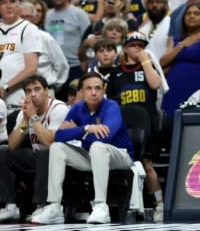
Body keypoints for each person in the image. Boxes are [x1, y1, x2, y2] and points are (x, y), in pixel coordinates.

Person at [31, 72, 134, 225]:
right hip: (91, 156)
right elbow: (58, 136)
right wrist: (85, 128)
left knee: (97, 146)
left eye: (98, 88)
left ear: (103, 90)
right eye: (89, 88)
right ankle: (54, 207)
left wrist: (76, 131)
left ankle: (100, 205)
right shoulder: (77, 108)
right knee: (57, 147)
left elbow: (104, 137)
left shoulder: (112, 106)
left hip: (120, 156)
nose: (94, 92)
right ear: (82, 92)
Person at [106, 32, 165, 219]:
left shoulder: (149, 66)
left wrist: (146, 62)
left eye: (141, 45)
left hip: (147, 124)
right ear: (124, 48)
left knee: (147, 165)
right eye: (133, 45)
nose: (138, 49)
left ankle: (159, 204)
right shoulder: (115, 73)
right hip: (123, 126)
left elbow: (156, 84)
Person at [0, 75, 68, 223]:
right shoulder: (26, 112)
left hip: (62, 161)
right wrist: (25, 119)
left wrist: (34, 118)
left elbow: (49, 142)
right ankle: (10, 206)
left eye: (37, 89)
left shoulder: (59, 108)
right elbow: (12, 145)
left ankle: (42, 205)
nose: (33, 94)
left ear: (47, 91)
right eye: (28, 91)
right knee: (3, 152)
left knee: (45, 152)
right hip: (39, 160)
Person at [159, 3, 200, 117]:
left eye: (196, 14)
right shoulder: (177, 39)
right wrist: (182, 45)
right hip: (173, 88)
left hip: (194, 87)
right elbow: (162, 63)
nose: (192, 16)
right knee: (169, 124)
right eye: (188, 14)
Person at [0, 0, 42, 111]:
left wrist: (6, 87)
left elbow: (31, 68)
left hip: (17, 96)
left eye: (12, 2)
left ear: (18, 5)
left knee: (16, 128)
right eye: (4, 2)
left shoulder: (28, 29)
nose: (9, 6)